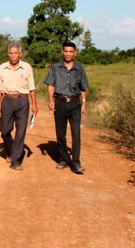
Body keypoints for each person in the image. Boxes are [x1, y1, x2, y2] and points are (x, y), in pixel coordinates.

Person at [44, 40, 89, 174]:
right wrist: (51, 99)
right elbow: (51, 84)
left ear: (75, 53)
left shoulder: (79, 69)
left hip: (75, 103)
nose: (68, 54)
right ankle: (64, 158)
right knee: (61, 133)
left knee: (76, 133)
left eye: (71, 51)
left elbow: (83, 87)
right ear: (62, 52)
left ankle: (75, 161)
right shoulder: (56, 68)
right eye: (66, 51)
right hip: (60, 102)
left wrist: (84, 103)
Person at [0, 43, 38, 171]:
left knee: (20, 131)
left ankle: (15, 161)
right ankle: (10, 150)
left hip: (22, 101)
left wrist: (34, 105)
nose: (14, 56)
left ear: (20, 54)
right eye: (11, 53)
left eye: (16, 53)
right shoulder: (2, 68)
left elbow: (31, 87)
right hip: (7, 100)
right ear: (8, 54)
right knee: (4, 130)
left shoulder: (26, 67)